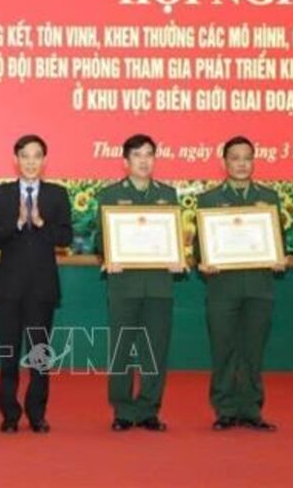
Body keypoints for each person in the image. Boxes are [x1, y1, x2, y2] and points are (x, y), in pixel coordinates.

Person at [195, 136, 287, 432]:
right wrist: (203, 262)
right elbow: (200, 247)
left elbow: (279, 241)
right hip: (222, 288)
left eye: (247, 158)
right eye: (235, 158)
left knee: (252, 352)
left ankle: (251, 410)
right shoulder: (208, 200)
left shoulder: (269, 198)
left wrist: (279, 257)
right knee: (223, 350)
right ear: (225, 163)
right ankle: (224, 410)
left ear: (253, 162)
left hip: (259, 288)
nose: (241, 164)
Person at [95, 134, 183, 432]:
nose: (144, 161)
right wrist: (109, 254)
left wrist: (176, 256)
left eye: (149, 154)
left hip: (159, 285)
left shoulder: (168, 194)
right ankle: (122, 410)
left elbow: (174, 237)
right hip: (124, 284)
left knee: (155, 349)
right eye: (137, 155)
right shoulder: (110, 195)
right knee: (122, 349)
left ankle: (148, 410)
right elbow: (101, 238)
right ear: (125, 161)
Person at [0, 134, 72, 433]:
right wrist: (19, 222)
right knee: (8, 355)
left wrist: (41, 222)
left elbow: (66, 238)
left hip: (42, 288)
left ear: (44, 161)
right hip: (9, 288)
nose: (31, 162)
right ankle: (9, 415)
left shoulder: (57, 194)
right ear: (16, 160)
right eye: (25, 156)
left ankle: (37, 414)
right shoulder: (1, 194)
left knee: (39, 356)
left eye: (36, 156)